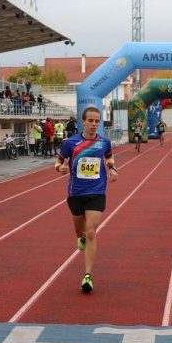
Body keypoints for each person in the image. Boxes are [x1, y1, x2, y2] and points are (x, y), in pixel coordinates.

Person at [55, 105, 118, 293]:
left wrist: (112, 168)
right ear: (83, 122)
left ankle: (87, 276)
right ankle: (80, 236)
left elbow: (109, 157)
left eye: (97, 121)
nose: (93, 124)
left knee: (91, 232)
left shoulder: (104, 142)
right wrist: (59, 168)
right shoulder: (71, 143)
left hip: (97, 191)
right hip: (76, 193)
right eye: (90, 120)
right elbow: (58, 161)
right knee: (80, 231)